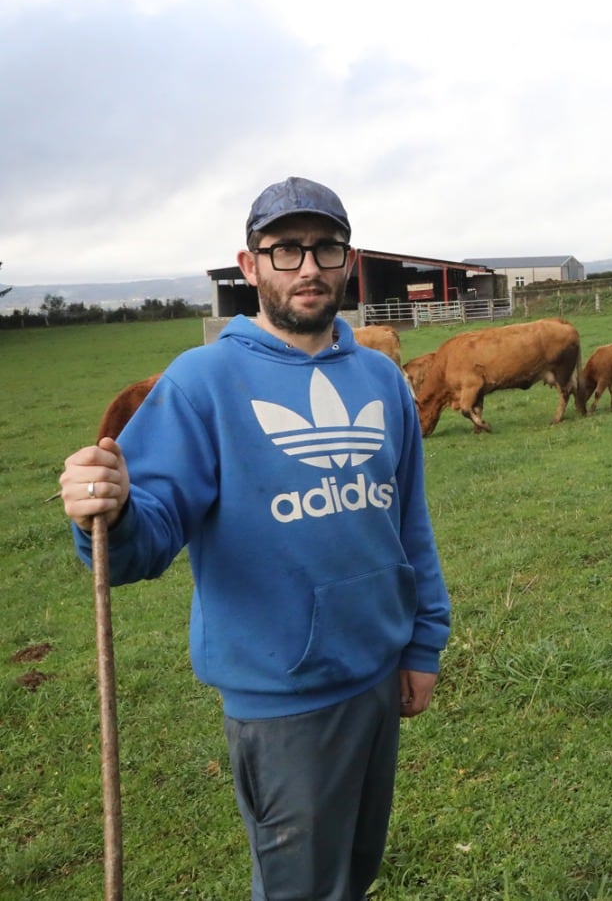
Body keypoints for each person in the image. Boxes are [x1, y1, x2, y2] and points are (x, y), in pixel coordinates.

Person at [60, 176, 451, 900]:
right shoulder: (201, 383)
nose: (308, 267)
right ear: (250, 266)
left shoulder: (381, 380)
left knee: (354, 876)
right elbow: (147, 536)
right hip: (283, 701)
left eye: (325, 248)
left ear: (348, 261)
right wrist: (108, 515)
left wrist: (423, 641)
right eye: (285, 250)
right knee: (300, 888)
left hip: (376, 675)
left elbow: (408, 524)